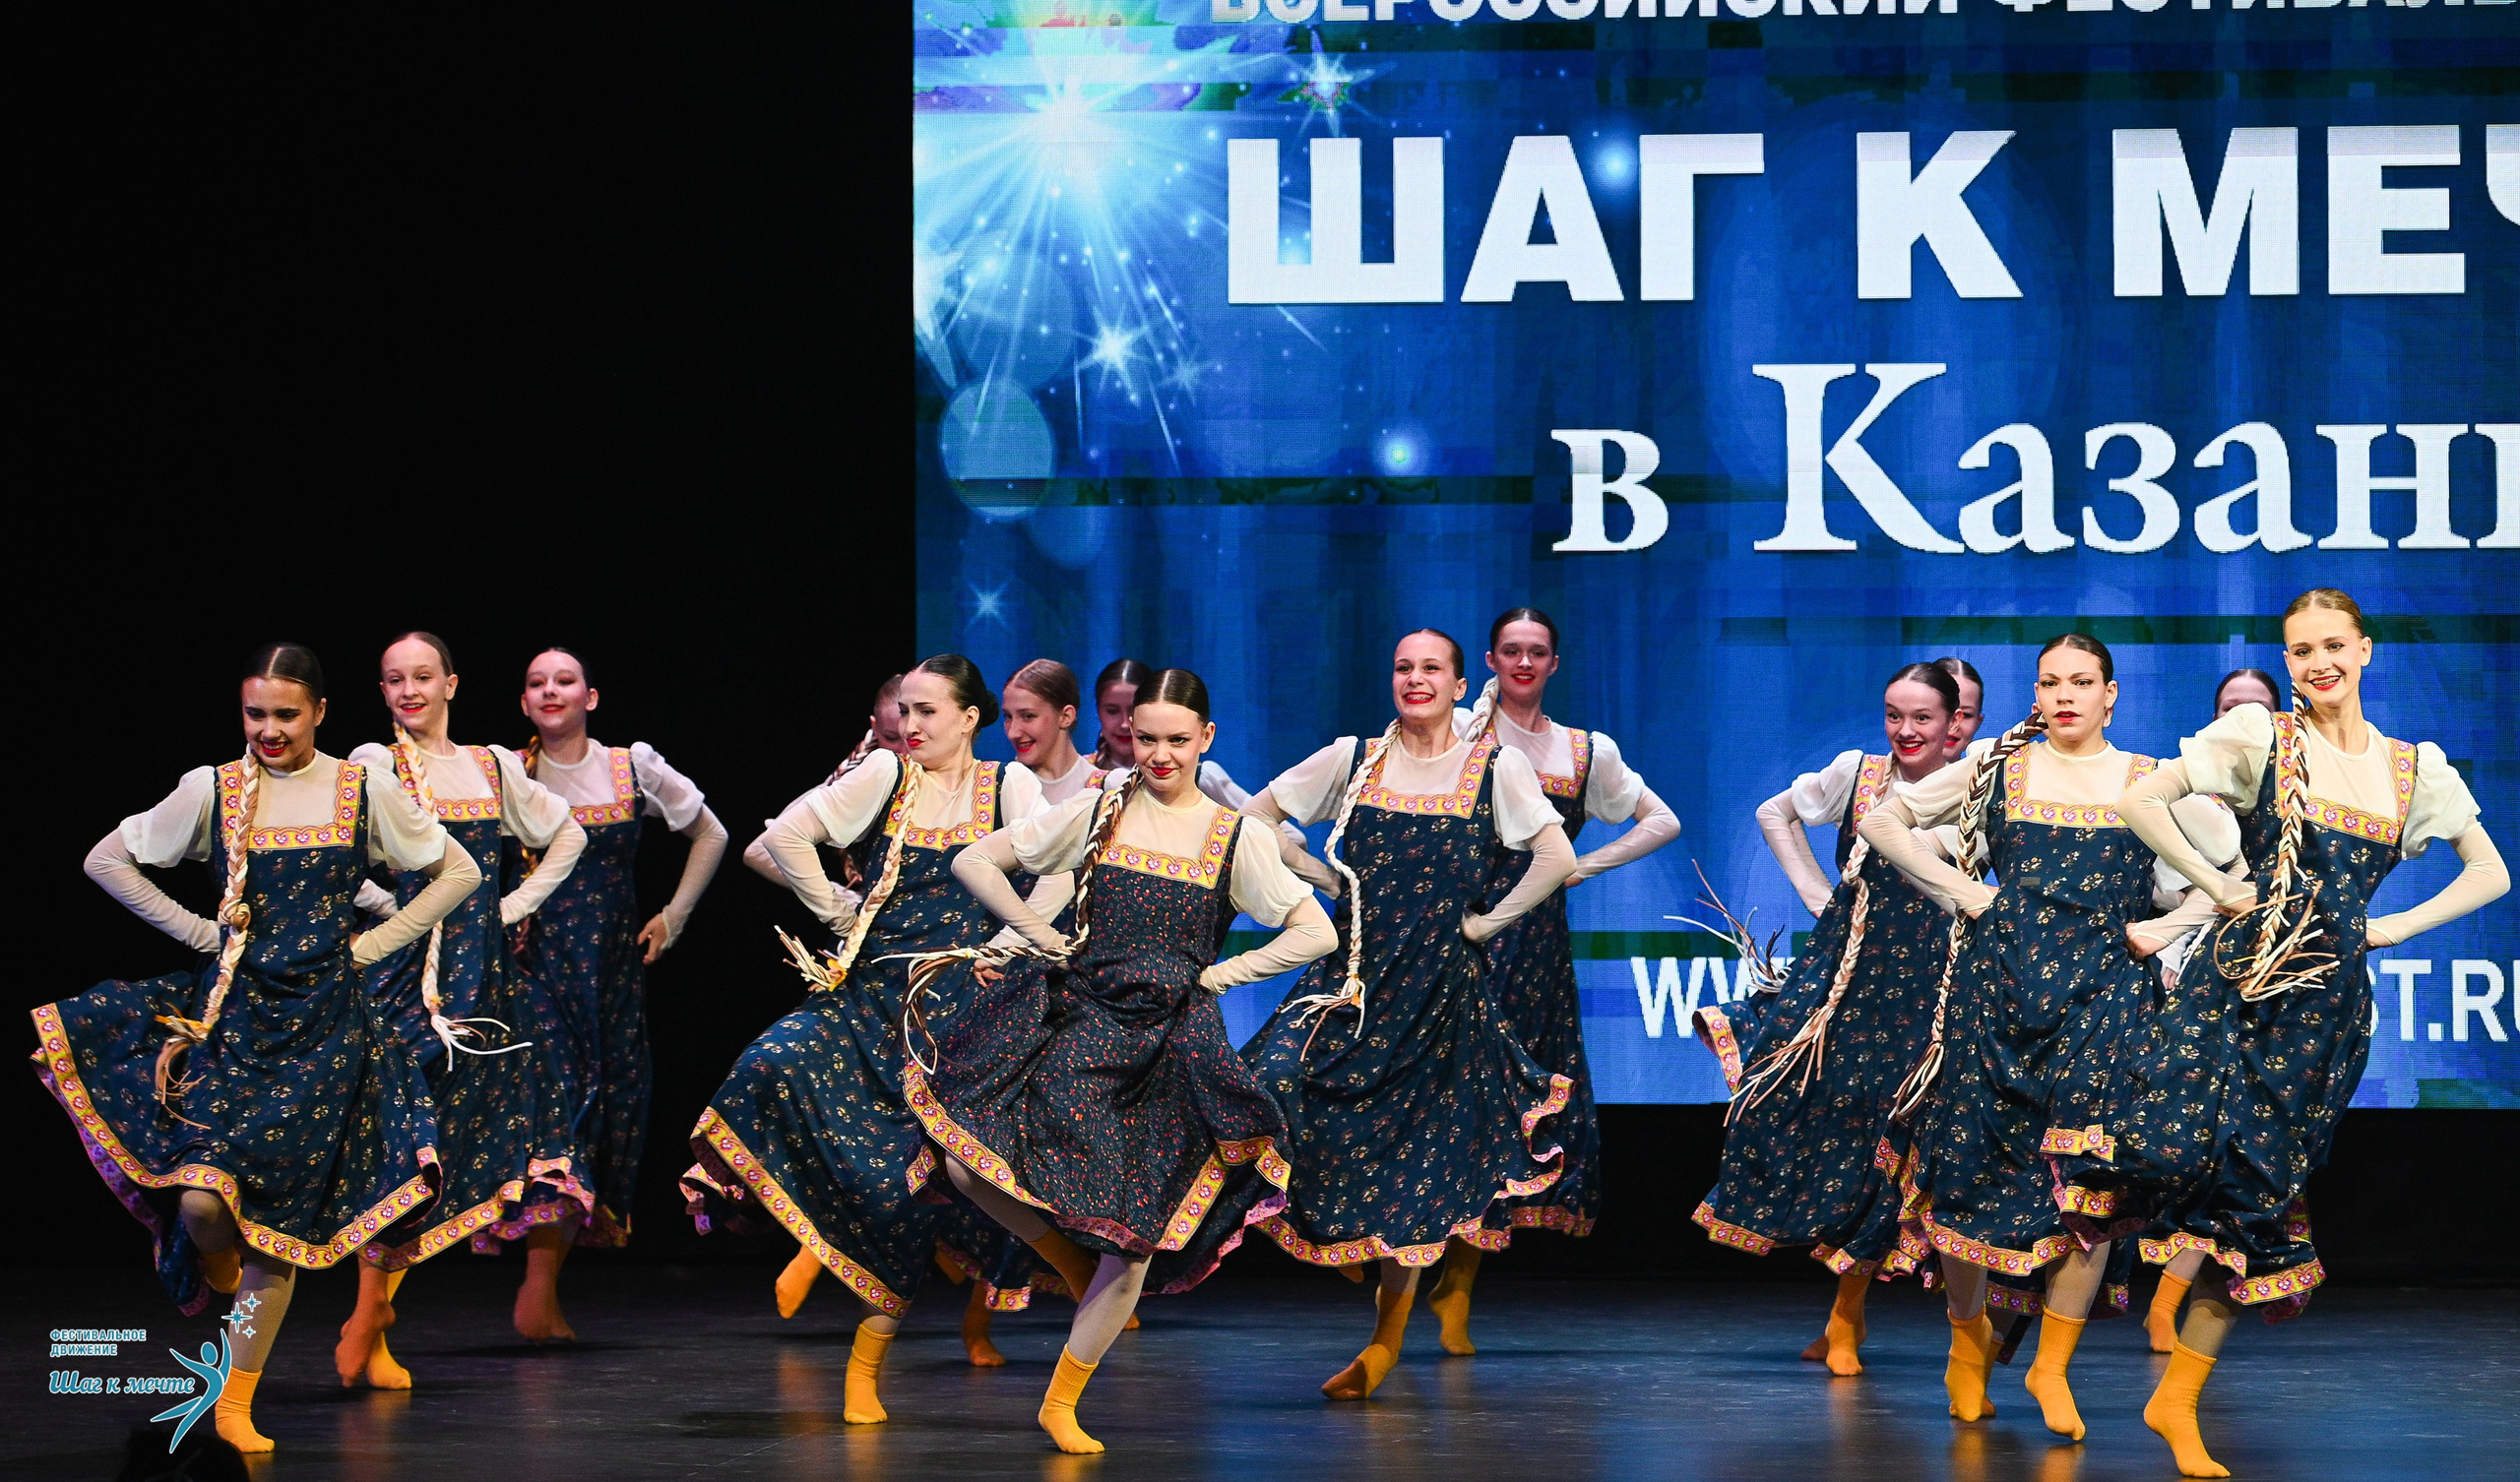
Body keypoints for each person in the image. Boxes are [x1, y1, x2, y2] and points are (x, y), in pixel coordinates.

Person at [2057, 591, 2504, 1478]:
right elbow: (2147, 802)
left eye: (2332, 646)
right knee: (2154, 1153)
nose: (2317, 663)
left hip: (2322, 1013)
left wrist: (2390, 930)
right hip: (2233, 988)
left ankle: (2176, 1399)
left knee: (2257, 1206)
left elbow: (2489, 871)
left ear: (2365, 651)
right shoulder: (2262, 736)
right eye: (2301, 650)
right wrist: (2216, 888)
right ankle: (2044, 1351)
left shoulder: (2414, 771)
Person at [33, 645, 475, 1452]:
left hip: (329, 1032)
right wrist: (201, 933)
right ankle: (220, 1276)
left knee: (277, 1218)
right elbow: (108, 858)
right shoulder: (215, 788)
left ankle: (233, 1397)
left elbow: (457, 871)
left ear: (319, 713)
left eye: (285, 715)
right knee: (206, 1203)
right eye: (255, 714)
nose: (268, 730)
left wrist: (372, 950)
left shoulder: (359, 785)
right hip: (237, 1023)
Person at [909, 668, 1338, 1452]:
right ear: (1127, 737)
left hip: (1169, 1047)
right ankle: (1066, 1259)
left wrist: (1216, 976)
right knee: (967, 1165)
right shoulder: (1103, 807)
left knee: (1136, 1239)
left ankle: (1061, 1399)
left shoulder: (1234, 835)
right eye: (1147, 738)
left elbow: (1316, 933)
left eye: (1178, 740)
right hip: (1080, 1022)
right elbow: (977, 862)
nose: (1161, 754)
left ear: (1206, 739)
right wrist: (1038, 937)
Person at [682, 655, 1080, 1425]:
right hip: (868, 998)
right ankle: (825, 1274)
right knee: (768, 1065)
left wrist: (1016, 940)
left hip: (963, 1015)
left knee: (920, 1186)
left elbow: (1061, 871)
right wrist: (841, 913)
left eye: (929, 711)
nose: (911, 724)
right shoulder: (885, 776)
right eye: (906, 709)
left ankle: (868, 1364)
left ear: (970, 717)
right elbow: (787, 836)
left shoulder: (1011, 788)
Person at [1857, 635, 2225, 1438]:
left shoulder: (2147, 781)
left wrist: (2165, 930)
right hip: (1998, 998)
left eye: (2082, 682)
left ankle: (2050, 1364)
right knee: (1962, 1170)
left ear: (2110, 694)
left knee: (2091, 1185)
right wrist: (1965, 892)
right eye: (2051, 681)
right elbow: (1884, 819)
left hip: (2101, 1006)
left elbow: (2230, 876)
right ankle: (1966, 1338)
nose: (2066, 695)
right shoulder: (1999, 769)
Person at [1234, 630, 1578, 1400]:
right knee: (1274, 1082)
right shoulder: (1353, 758)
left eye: (1432, 668)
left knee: (1419, 1176)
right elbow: (1254, 821)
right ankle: (1345, 1248)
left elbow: (1553, 858)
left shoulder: (1495, 765)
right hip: (1353, 982)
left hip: (1440, 1000)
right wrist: (1321, 879)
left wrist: (1486, 925)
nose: (1415, 678)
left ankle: (1385, 1341)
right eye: (1403, 667)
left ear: (1461, 686)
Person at [1692, 662, 1965, 1376]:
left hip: (1926, 990)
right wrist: (1819, 890)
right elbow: (1773, 813)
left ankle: (1849, 1317)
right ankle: (1840, 1300)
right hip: (1844, 977)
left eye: (1923, 718)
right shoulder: (1859, 772)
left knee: (1895, 1142)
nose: (1906, 730)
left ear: (1953, 722)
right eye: (1894, 714)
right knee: (1784, 1097)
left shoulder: (1978, 789)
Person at [1425, 607, 1680, 1354]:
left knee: (1506, 1119)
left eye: (1538, 652)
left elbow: (1659, 820)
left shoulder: (1580, 749)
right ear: (1491, 660)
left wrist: (1578, 867)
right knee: (1439, 1104)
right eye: (1512, 651)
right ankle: (1405, 1266)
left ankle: (1458, 1288)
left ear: (1555, 664)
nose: (1525, 663)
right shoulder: (1461, 734)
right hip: (1459, 935)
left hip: (1531, 949)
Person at [342, 631, 592, 1372]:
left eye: (422, 676)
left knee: (471, 1140)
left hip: (484, 985)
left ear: (452, 683)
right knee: (402, 1141)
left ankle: (378, 1312)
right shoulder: (374, 762)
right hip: (405, 979)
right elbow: (341, 855)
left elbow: (566, 835)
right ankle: (368, 1313)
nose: (409, 690)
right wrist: (393, 907)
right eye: (394, 679)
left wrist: (507, 911)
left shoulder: (490, 767)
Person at [512, 647, 728, 1321]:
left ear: (591, 697)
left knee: (607, 1114)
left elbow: (711, 833)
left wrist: (675, 916)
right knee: (555, 1114)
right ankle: (537, 1285)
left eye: (564, 681)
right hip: (535, 972)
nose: (551, 691)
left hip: (611, 975)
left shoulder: (628, 766)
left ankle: (547, 1282)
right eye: (537, 683)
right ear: (524, 703)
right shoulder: (505, 773)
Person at [2128, 668, 2267, 1352]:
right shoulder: (2182, 796)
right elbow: (2156, 894)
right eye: (2231, 709)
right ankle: (2155, 1297)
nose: (2245, 723)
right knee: (2184, 1146)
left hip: (2270, 989)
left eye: (2260, 711)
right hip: (2184, 981)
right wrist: (2209, 902)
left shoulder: (2293, 805)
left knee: (2238, 1153)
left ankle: (2175, 1298)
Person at [1935, 656, 1985, 764]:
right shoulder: (1889, 777)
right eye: (1943, 709)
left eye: (1966, 715)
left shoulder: (1989, 779)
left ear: (1978, 722)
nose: (1953, 724)